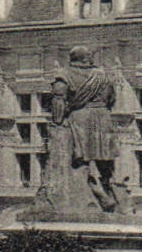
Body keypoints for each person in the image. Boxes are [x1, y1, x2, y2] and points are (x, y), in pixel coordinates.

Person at [50, 46, 120, 212]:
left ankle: (94, 193)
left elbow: (58, 99)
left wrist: (58, 120)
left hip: (81, 118)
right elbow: (112, 98)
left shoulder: (65, 75)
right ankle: (108, 191)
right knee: (105, 160)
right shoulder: (103, 76)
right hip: (103, 117)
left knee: (79, 161)